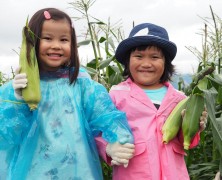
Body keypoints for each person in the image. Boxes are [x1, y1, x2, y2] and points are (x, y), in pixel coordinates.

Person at [0, 8, 135, 180]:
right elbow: (5, 136)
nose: (56, 45)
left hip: (79, 172)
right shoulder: (13, 90)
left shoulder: (83, 85)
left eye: (64, 39)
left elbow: (106, 115)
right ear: (32, 41)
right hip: (32, 173)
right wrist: (17, 100)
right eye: (47, 38)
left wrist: (117, 141)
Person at [96, 23, 208, 180]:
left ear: (165, 63)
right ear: (128, 61)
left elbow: (185, 140)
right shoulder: (116, 96)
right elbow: (98, 132)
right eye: (139, 56)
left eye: (155, 57)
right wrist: (107, 147)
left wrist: (194, 126)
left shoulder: (179, 98)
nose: (146, 64)